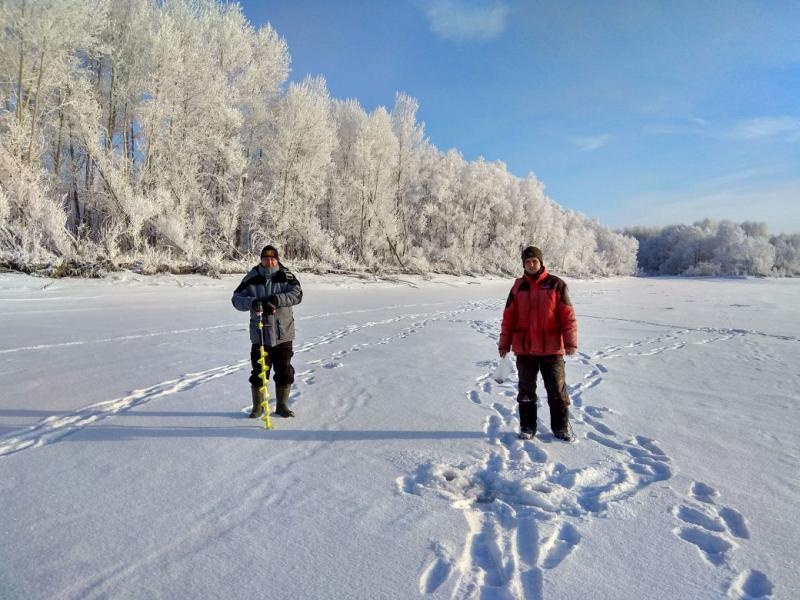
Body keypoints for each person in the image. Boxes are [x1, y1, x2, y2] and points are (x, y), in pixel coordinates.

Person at [498, 246, 578, 441]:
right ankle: (527, 427)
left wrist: (570, 342)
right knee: (526, 392)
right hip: (525, 350)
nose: (531, 264)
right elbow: (508, 317)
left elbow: (568, 316)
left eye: (534, 261)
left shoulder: (556, 284)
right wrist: (504, 343)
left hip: (552, 349)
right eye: (527, 262)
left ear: (541, 262)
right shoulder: (518, 287)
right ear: (523, 264)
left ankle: (560, 428)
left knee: (557, 392)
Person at [232, 245, 303, 418]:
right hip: (260, 335)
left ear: (277, 259)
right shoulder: (252, 277)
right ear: (261, 260)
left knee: (284, 370)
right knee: (259, 371)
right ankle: (258, 407)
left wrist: (276, 299)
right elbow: (236, 299)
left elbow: (297, 294)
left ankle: (282, 406)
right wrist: (252, 302)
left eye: (272, 258)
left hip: (283, 333)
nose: (269, 261)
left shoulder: (286, 276)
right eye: (265, 258)